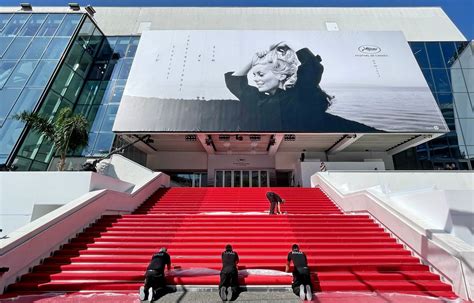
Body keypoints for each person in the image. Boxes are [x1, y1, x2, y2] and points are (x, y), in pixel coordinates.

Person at [225, 42, 378, 132]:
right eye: (255, 75)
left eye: (261, 74)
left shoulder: (299, 94)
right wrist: (252, 62)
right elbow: (234, 82)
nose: (256, 79)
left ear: (280, 75)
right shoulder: (257, 99)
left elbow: (313, 67)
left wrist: (290, 44)